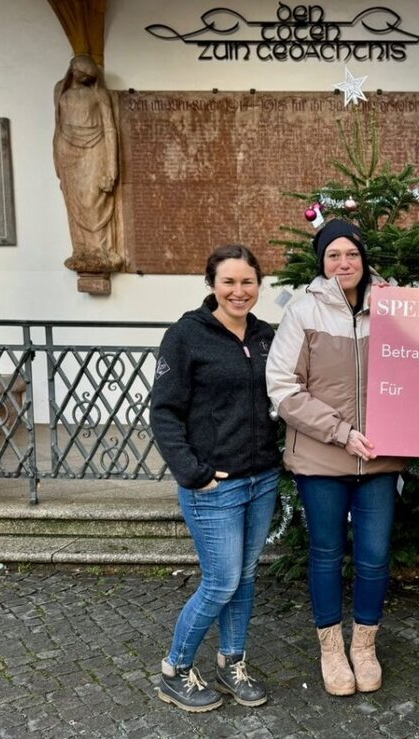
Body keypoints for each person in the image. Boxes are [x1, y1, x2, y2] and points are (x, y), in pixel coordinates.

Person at [266, 219, 404, 696]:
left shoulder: (394, 306)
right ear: (321, 262)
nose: (343, 262)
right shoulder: (303, 312)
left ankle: (364, 645)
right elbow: (283, 388)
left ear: (363, 258)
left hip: (381, 462)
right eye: (333, 255)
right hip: (323, 459)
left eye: (351, 253)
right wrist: (342, 433)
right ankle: (330, 647)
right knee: (326, 555)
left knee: (373, 558)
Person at [150, 244, 282, 712]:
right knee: (221, 582)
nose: (239, 291)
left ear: (258, 285)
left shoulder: (266, 336)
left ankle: (232, 662)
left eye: (247, 282)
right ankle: (176, 669)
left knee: (244, 578)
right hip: (214, 486)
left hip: (261, 479)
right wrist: (193, 473)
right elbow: (164, 412)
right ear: (212, 285)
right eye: (228, 282)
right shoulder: (187, 335)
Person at [53, 55, 123, 273]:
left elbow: (110, 128)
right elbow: (57, 125)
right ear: (72, 71)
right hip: (67, 151)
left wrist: (111, 168)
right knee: (74, 201)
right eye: (80, 74)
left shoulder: (98, 93)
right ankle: (82, 249)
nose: (83, 79)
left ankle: (102, 249)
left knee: (95, 199)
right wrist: (56, 158)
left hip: (95, 149)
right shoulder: (60, 91)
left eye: (88, 77)